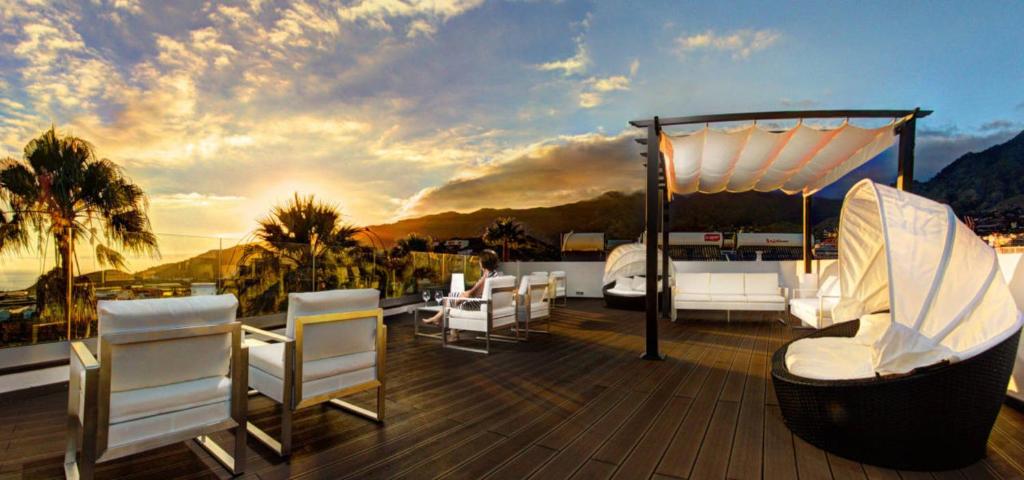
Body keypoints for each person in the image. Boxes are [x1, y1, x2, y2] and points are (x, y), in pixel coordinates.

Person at [423, 249, 501, 342]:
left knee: (451, 299)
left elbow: (473, 293)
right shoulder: (495, 275)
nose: (479, 262)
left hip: (479, 304)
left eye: (479, 260)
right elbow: (476, 292)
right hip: (487, 303)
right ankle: (439, 319)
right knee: (454, 298)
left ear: (483, 262)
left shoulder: (486, 277)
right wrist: (463, 294)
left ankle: (448, 329)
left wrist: (462, 296)